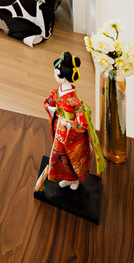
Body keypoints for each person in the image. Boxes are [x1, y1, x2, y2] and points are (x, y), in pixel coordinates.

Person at [42, 52, 105, 189]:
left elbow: (81, 121)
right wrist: (51, 108)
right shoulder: (58, 91)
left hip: (71, 133)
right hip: (60, 128)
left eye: (55, 73)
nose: (54, 75)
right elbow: (49, 101)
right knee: (60, 155)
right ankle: (67, 178)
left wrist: (70, 125)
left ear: (63, 77)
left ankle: (75, 179)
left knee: (72, 157)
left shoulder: (73, 100)